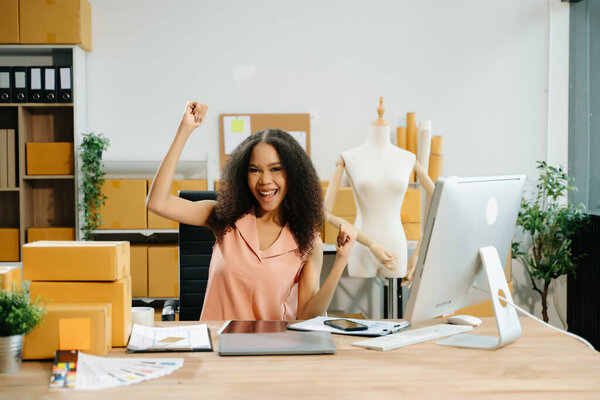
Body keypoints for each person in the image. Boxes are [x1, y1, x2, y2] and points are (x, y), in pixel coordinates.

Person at [147, 101, 358, 321]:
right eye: (254, 170)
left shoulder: (307, 241)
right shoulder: (224, 218)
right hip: (218, 346)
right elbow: (157, 202)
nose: (265, 181)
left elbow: (307, 315)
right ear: (243, 175)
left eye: (276, 169)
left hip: (272, 348)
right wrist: (185, 129)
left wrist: (341, 260)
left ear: (293, 174)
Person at [324, 98, 434, 284]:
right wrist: (371, 243)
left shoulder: (407, 158)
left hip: (395, 245)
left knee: (392, 309)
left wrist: (417, 254)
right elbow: (324, 213)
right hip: (360, 244)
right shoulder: (349, 157)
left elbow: (441, 204)